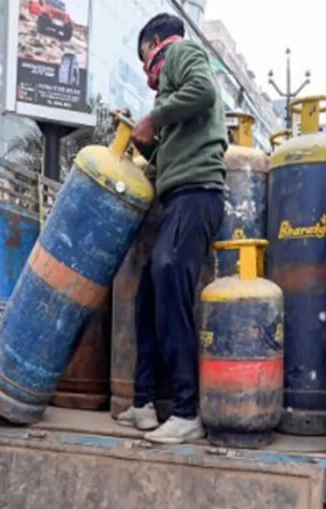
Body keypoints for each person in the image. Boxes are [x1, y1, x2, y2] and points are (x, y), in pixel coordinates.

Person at [115, 12, 227, 444]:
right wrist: (145, 142)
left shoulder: (181, 51)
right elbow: (165, 155)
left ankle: (186, 411)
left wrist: (155, 118)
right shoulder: (174, 110)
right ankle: (144, 403)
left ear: (156, 42)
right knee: (148, 296)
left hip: (198, 195)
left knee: (168, 282)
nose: (148, 72)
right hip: (178, 197)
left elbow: (203, 91)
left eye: (145, 58)